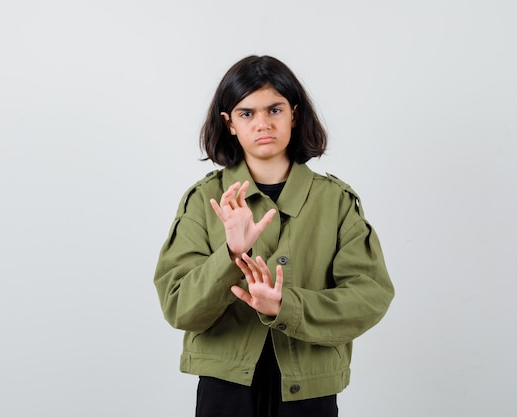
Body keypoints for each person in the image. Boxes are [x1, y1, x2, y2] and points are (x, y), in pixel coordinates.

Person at [153, 55, 394, 417]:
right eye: (246, 113)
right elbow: (179, 308)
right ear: (229, 123)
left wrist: (286, 307)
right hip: (225, 389)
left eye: (275, 109)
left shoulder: (336, 201)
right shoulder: (204, 200)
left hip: (310, 390)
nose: (262, 123)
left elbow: (369, 297)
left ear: (294, 114)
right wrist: (231, 254)